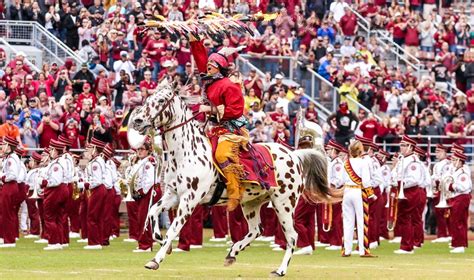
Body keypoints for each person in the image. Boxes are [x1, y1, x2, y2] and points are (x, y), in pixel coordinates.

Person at [190, 35, 248, 212]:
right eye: (209, 64)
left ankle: (234, 192)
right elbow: (201, 59)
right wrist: (194, 40)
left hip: (231, 129)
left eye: (212, 65)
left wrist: (210, 110)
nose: (208, 66)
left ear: (220, 68)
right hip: (212, 129)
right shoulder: (209, 80)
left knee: (222, 155)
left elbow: (236, 111)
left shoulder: (229, 85)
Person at [341, 140, 375, 257]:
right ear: (360, 151)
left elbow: (341, 180)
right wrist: (371, 194)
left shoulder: (345, 163)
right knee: (361, 221)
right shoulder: (363, 162)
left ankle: (346, 250)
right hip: (358, 191)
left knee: (348, 221)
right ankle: (363, 250)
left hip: (347, 191)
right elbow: (366, 181)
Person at [392, 135, 425, 255]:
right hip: (403, 190)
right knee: (403, 218)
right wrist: (395, 180)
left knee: (407, 218)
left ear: (411, 147)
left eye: (404, 145)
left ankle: (407, 246)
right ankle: (407, 244)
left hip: (410, 191)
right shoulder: (402, 159)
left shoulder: (413, 161)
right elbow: (394, 174)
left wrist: (400, 183)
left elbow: (414, 179)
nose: (401, 147)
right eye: (401, 145)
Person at [133, 140, 161, 253]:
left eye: (142, 149)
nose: (139, 151)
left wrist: (141, 191)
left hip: (149, 191)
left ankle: (145, 245)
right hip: (147, 191)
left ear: (148, 150)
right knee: (143, 217)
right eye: (138, 149)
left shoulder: (148, 162)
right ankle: (146, 242)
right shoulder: (143, 161)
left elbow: (150, 180)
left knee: (144, 217)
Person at [41, 139, 69, 251]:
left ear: (56, 151)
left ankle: (53, 242)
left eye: (52, 149)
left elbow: (55, 180)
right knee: (58, 218)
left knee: (50, 217)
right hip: (61, 190)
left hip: (56, 190)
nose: (50, 152)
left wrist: (44, 182)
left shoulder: (57, 163)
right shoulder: (59, 161)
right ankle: (59, 241)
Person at [83, 137, 108, 250]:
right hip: (99, 189)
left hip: (97, 189)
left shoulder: (96, 163)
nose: (87, 151)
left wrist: (87, 185)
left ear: (94, 149)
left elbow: (96, 180)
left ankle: (94, 242)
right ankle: (99, 240)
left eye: (90, 149)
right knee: (97, 216)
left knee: (92, 216)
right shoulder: (96, 161)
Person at [447, 151, 472, 253]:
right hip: (458, 197)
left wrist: (451, 186)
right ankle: (457, 243)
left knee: (458, 221)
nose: (452, 162)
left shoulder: (462, 173)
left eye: (454, 160)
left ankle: (459, 245)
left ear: (460, 161)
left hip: (461, 197)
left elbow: (464, 187)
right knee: (456, 221)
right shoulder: (457, 171)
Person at [0, 136, 21, 248]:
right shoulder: (10, 157)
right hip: (9, 186)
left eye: (4, 144)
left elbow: (12, 175)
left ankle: (9, 240)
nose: (2, 146)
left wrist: (3, 178)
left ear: (9, 146)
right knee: (6, 213)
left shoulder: (11, 159)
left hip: (10, 186)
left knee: (7, 214)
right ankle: (6, 237)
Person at [323, 140, 345, 251]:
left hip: (335, 191)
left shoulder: (338, 163)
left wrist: (331, 185)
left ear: (334, 150)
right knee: (331, 216)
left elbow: (339, 179)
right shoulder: (331, 162)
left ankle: (337, 242)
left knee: (336, 217)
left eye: (329, 149)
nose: (327, 151)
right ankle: (332, 241)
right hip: (330, 191)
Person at [430, 144, 451, 243]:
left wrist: (436, 179)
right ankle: (442, 234)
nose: (437, 153)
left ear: (444, 152)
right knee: (438, 213)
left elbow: (446, 177)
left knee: (444, 213)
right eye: (436, 151)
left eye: (439, 151)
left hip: (444, 190)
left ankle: (445, 234)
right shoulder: (437, 164)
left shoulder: (447, 164)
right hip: (438, 189)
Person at [24, 152, 43, 239]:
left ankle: (35, 232)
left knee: (34, 213)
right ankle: (33, 230)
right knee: (31, 213)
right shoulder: (32, 171)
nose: (30, 162)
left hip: (33, 192)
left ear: (35, 162)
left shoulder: (37, 171)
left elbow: (35, 183)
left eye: (31, 160)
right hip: (30, 192)